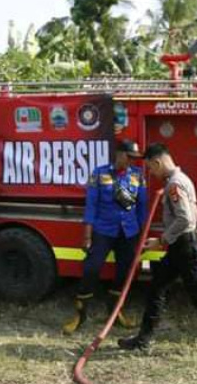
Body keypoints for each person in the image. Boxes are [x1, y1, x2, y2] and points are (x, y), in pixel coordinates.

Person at [118, 143, 197, 354]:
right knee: (156, 288)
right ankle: (143, 341)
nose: (151, 173)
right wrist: (163, 241)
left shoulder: (175, 184)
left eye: (151, 168)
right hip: (179, 248)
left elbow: (185, 219)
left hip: (186, 249)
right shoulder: (179, 180)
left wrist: (161, 241)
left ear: (158, 162)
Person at [62, 140, 147, 334]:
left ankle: (116, 313)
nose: (132, 161)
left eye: (135, 158)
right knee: (91, 269)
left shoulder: (138, 176)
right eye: (129, 156)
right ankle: (80, 316)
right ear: (119, 154)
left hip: (129, 233)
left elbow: (142, 208)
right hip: (103, 231)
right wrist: (87, 235)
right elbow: (91, 205)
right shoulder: (99, 174)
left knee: (124, 273)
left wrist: (142, 235)